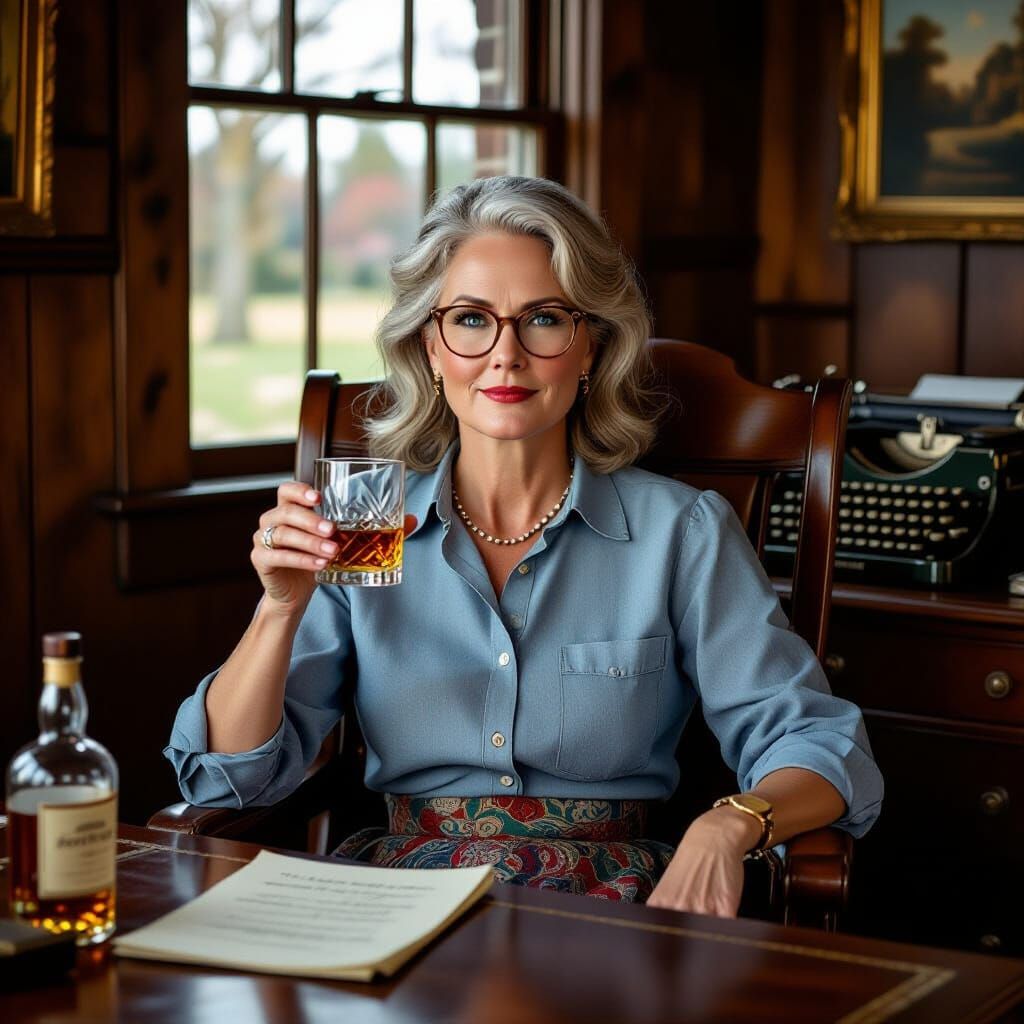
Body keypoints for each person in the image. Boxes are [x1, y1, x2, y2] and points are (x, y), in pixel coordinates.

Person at [166, 176, 883, 917]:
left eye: (542, 319)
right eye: (471, 320)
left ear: (591, 346)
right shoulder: (363, 528)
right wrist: (279, 610)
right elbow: (226, 782)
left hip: (609, 910)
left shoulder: (682, 533)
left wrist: (732, 824)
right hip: (397, 904)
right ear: (430, 348)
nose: (504, 355)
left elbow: (819, 743)